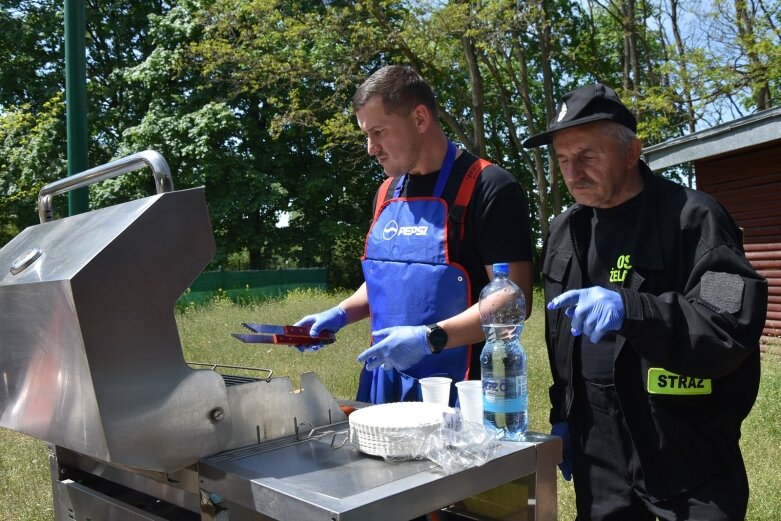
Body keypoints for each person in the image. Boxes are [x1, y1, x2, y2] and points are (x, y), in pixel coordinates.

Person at [524, 83, 768, 520]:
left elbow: (728, 323)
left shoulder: (696, 219)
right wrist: (564, 414)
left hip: (687, 454)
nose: (572, 172)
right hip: (598, 457)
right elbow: (560, 338)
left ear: (632, 151)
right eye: (562, 160)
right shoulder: (566, 232)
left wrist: (633, 309)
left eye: (587, 156)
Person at [295, 65, 534, 405]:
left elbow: (514, 300)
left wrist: (430, 338)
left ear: (420, 119)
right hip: (384, 383)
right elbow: (391, 277)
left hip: (459, 393)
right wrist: (340, 313)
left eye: (378, 132)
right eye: (367, 134)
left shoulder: (488, 186)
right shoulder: (386, 193)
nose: (370, 148)